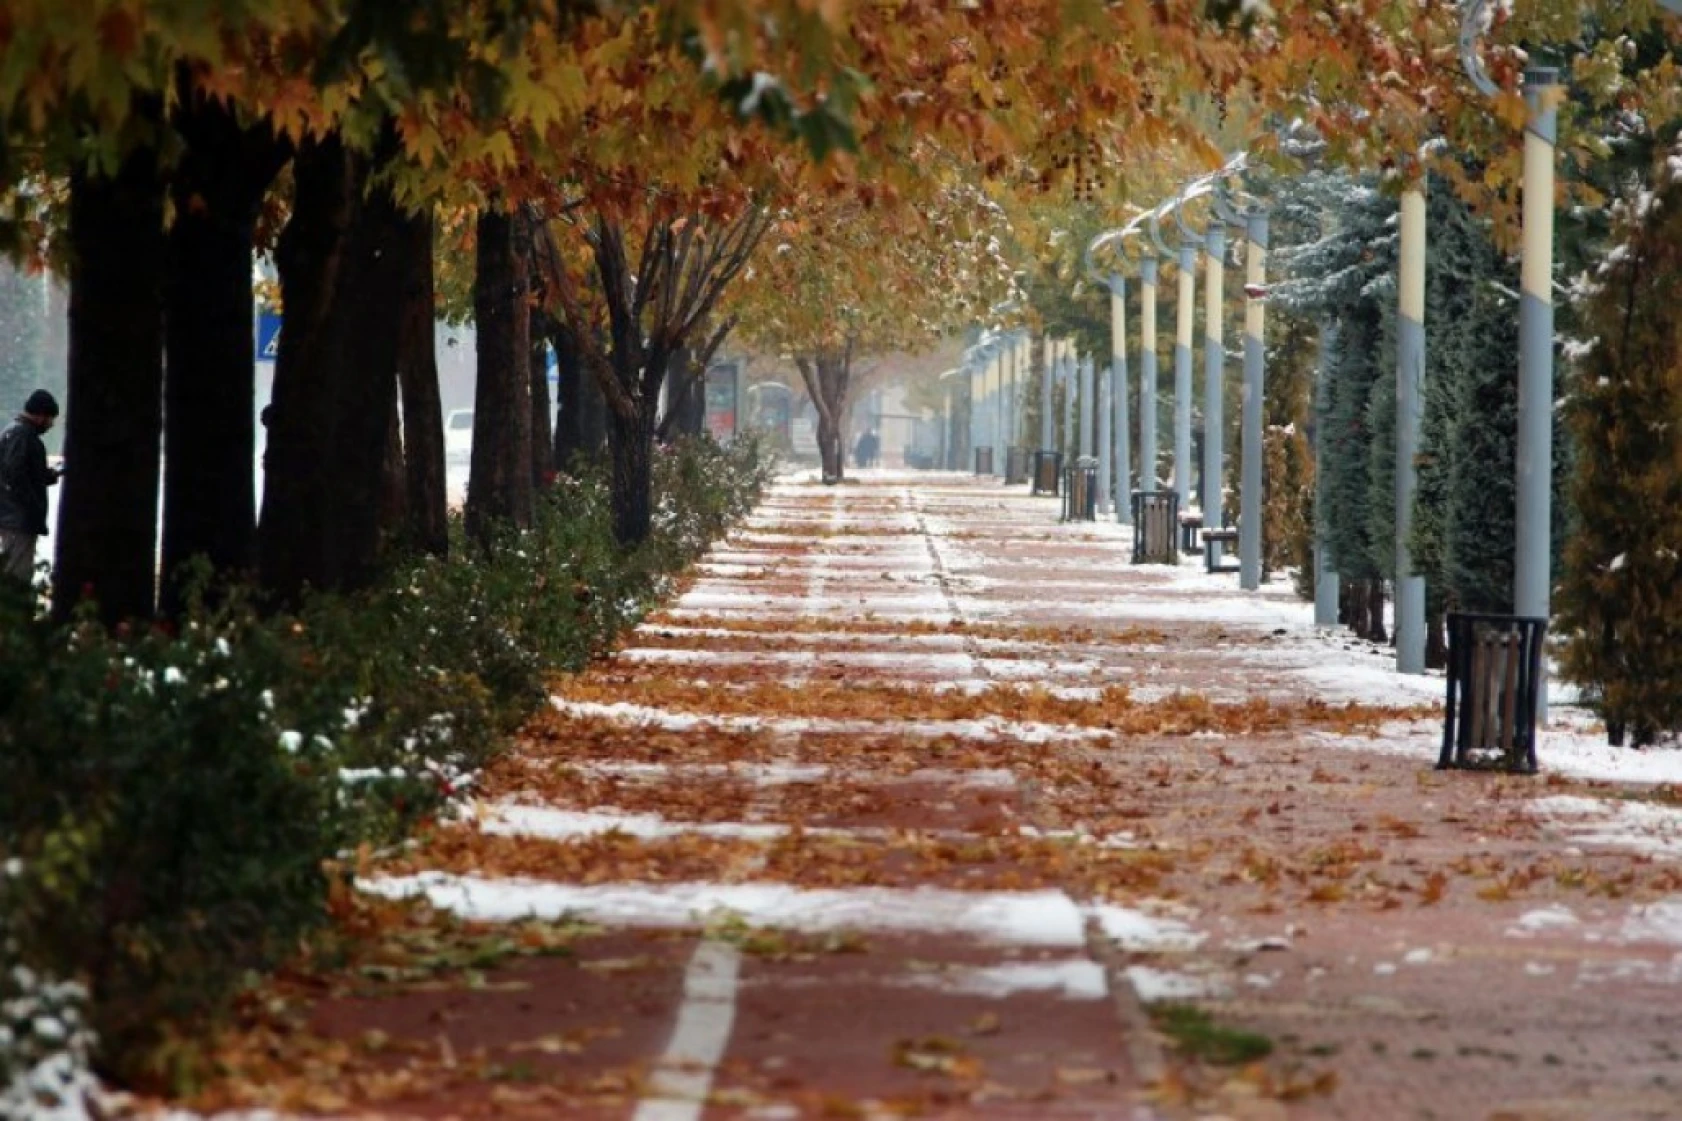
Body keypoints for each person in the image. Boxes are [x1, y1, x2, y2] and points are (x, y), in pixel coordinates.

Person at [0, 390, 62, 583]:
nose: (51, 424)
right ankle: (15, 612)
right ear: (40, 415)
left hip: (11, 516)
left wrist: (49, 474)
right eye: (50, 419)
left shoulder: (13, 432)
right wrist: (31, 506)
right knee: (18, 574)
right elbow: (14, 474)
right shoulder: (23, 435)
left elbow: (22, 472)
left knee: (14, 569)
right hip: (18, 520)